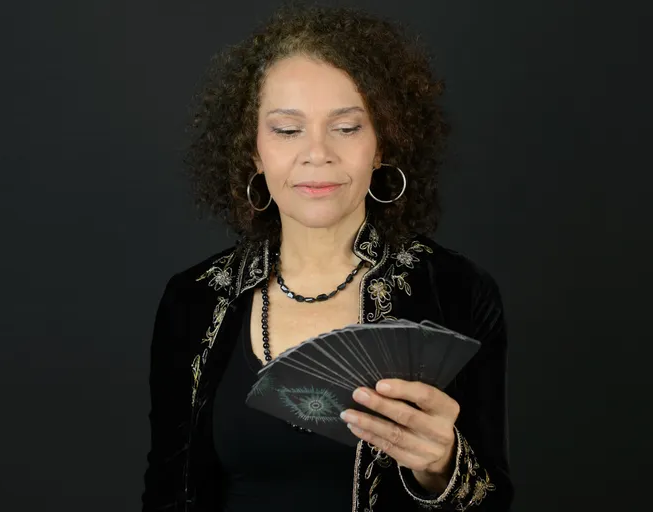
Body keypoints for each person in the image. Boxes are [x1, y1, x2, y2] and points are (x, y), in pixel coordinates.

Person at [141, 5, 512, 511]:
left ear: (383, 144)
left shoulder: (454, 290)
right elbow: (165, 494)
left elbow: (492, 500)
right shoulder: (195, 299)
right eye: (287, 130)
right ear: (253, 151)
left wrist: (441, 465)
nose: (317, 154)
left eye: (347, 127)